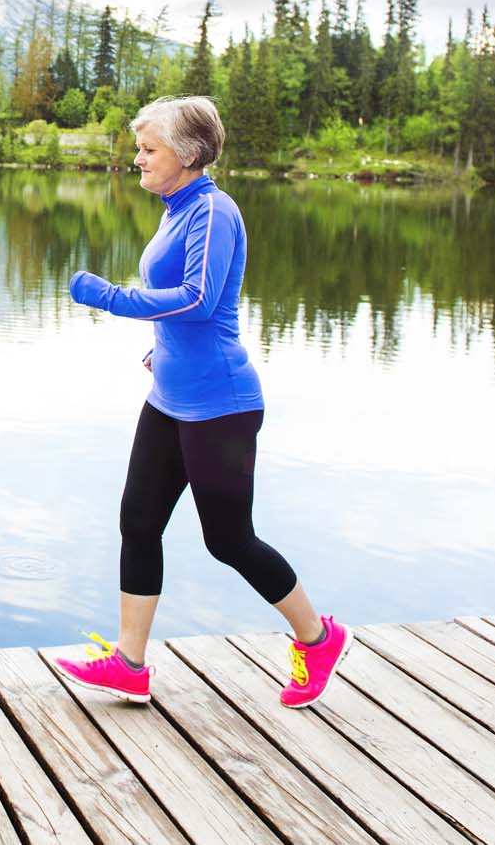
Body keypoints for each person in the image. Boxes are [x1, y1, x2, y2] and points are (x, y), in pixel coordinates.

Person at [55, 95, 350, 708]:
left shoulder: (215, 209)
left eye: (148, 149)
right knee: (138, 522)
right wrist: (159, 350)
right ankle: (130, 665)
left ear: (187, 155)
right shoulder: (175, 208)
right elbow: (180, 314)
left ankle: (318, 638)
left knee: (229, 540)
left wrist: (112, 297)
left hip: (221, 404)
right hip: (169, 397)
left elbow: (197, 299)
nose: (136, 158)